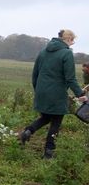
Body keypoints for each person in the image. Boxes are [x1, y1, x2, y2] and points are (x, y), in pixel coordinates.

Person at [19, 30, 87, 159]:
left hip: (41, 91)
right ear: (67, 39)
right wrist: (80, 94)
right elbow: (70, 78)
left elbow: (35, 74)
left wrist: (38, 89)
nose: (73, 43)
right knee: (56, 122)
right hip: (56, 93)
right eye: (72, 40)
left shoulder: (43, 52)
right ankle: (48, 153)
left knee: (46, 117)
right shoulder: (67, 53)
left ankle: (27, 132)